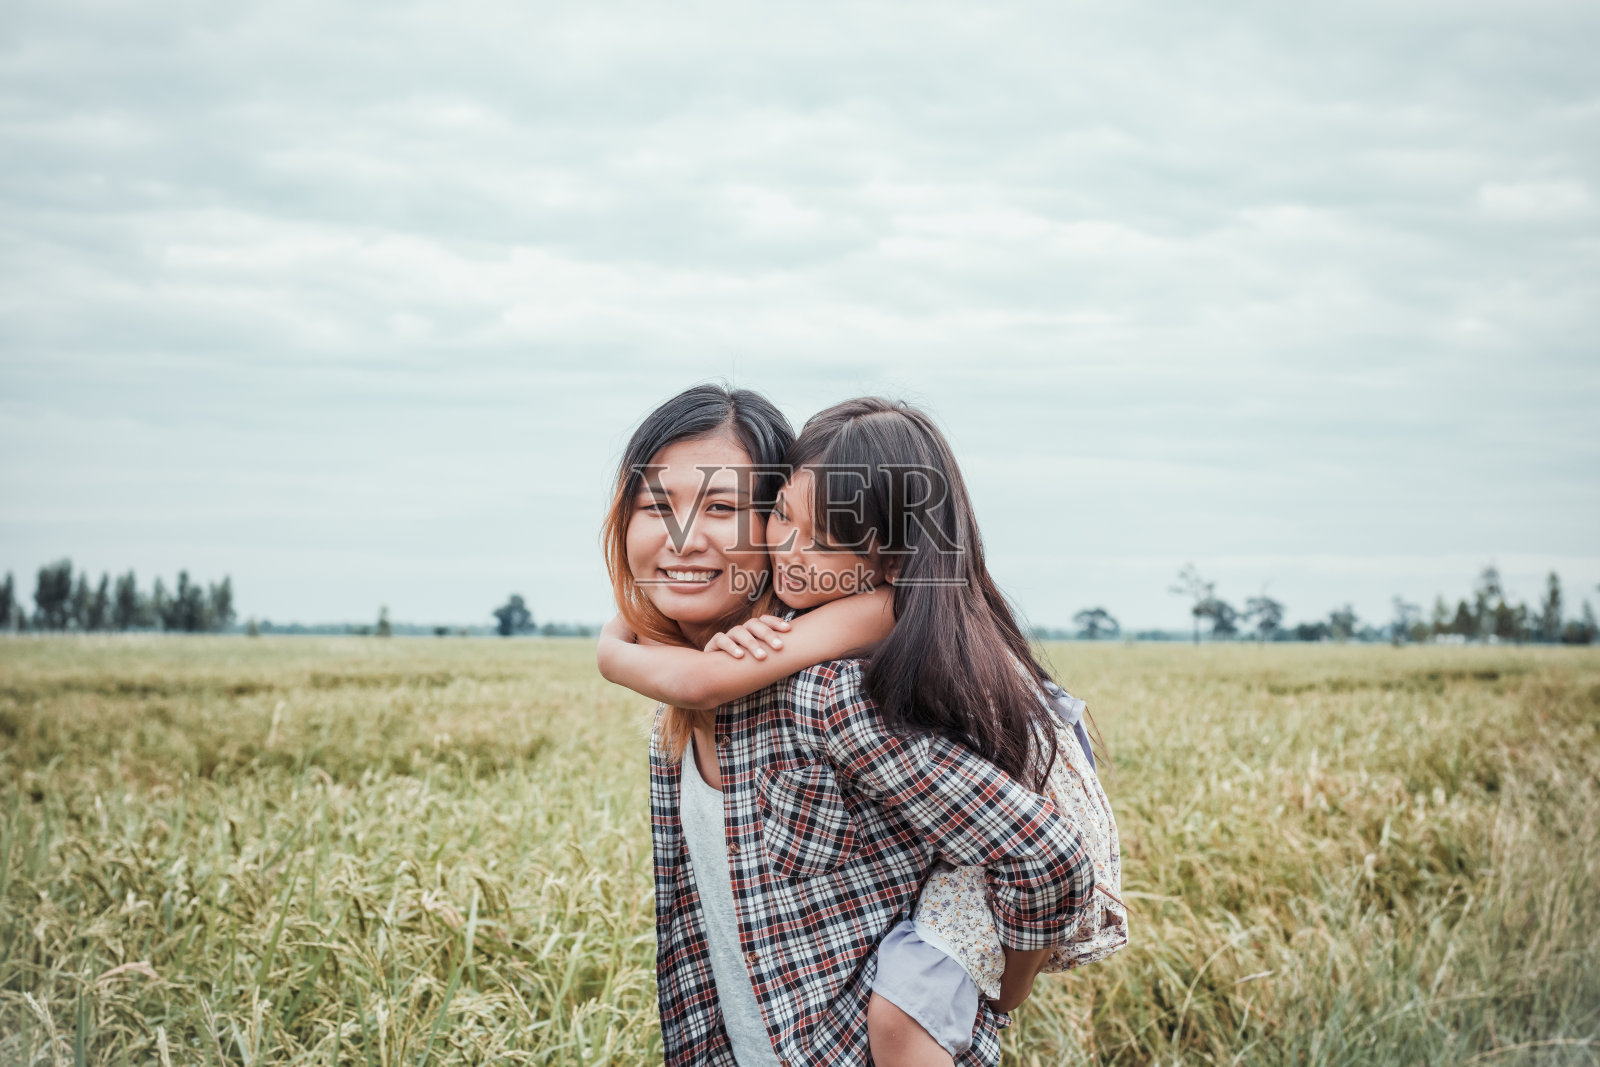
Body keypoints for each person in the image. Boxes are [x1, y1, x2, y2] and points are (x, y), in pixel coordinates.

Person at [599, 390, 1097, 1065]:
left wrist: (1010, 986)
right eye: (657, 505)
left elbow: (1046, 853)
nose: (683, 536)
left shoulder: (828, 694)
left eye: (721, 507)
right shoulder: (672, 722)